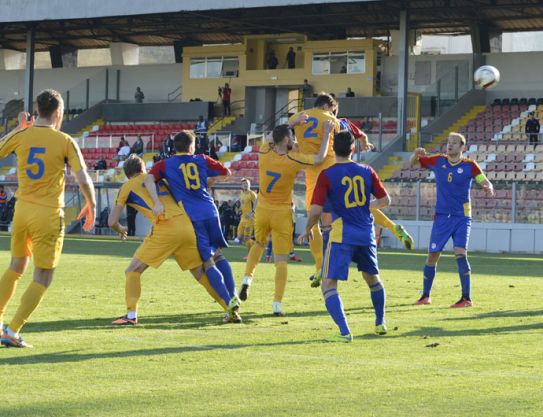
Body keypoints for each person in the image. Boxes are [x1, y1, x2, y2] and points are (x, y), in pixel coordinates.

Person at [0, 90, 96, 348]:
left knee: (16, 267)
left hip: (21, 211)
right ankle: (12, 330)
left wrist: (18, 129)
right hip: (48, 214)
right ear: (59, 113)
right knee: (43, 275)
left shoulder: (22, 135)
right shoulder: (65, 141)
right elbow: (83, 177)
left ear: (37, 110)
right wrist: (91, 203)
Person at [108, 155, 238, 324]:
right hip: (186, 225)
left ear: (128, 174)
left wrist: (120, 229)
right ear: (143, 169)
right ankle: (229, 308)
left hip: (165, 227)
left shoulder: (127, 186)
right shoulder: (161, 181)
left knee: (132, 270)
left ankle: (131, 316)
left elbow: (111, 221)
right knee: (199, 273)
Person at [299, 130, 391, 341]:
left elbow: (315, 210)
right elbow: (385, 200)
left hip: (342, 234)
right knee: (373, 279)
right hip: (366, 234)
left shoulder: (327, 175)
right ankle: (380, 322)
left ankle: (344, 331)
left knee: (328, 284)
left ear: (333, 148)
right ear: (353, 148)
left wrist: (307, 229)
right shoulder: (367, 170)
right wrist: (369, 206)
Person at [144, 130, 241, 321]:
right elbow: (226, 173)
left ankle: (229, 301)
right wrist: (209, 182)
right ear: (192, 146)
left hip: (192, 216)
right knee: (219, 254)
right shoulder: (202, 159)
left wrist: (157, 202)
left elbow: (148, 178)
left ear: (175, 147)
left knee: (208, 261)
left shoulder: (165, 164)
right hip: (211, 210)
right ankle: (234, 295)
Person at [238, 121, 331, 316]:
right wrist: (327, 133)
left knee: (258, 244)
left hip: (262, 209)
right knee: (281, 261)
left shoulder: (264, 151)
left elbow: (272, 136)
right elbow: (320, 158)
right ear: (287, 139)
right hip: (281, 212)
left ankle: (247, 279)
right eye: (293, 137)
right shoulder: (294, 159)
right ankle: (276, 305)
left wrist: (292, 124)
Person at [411, 132, 494, 308]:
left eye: (454, 143)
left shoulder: (470, 165)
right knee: (432, 255)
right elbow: (414, 163)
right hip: (441, 216)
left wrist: (488, 186)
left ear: (462, 147)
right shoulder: (438, 161)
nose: (450, 145)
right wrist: (415, 154)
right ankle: (425, 296)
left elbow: (483, 180)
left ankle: (466, 298)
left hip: (462, 217)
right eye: (449, 142)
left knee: (460, 253)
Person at [235, 178, 257, 255]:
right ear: (241, 186)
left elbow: (257, 203)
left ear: (250, 185)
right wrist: (239, 210)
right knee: (240, 237)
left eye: (247, 184)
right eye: (244, 184)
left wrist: (253, 212)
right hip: (243, 218)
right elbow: (242, 206)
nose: (246, 185)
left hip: (250, 219)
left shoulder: (252, 194)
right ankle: (255, 245)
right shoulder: (241, 195)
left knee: (247, 237)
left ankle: (250, 254)